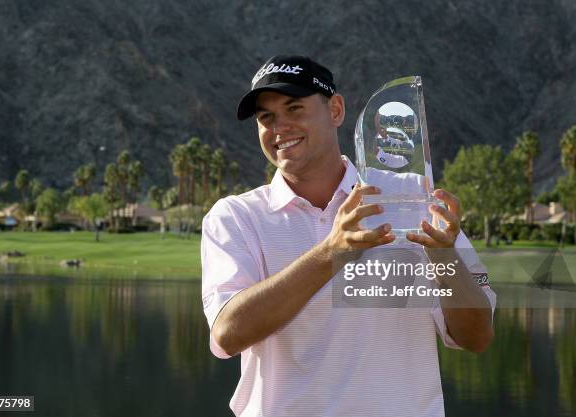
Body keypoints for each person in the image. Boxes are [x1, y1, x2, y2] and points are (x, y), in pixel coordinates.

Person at [201, 55, 496, 417]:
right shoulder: (236, 217)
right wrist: (332, 252)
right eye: (266, 117)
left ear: (336, 110)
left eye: (294, 108)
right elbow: (227, 333)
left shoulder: (412, 198)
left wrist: (445, 254)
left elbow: (477, 336)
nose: (280, 127)